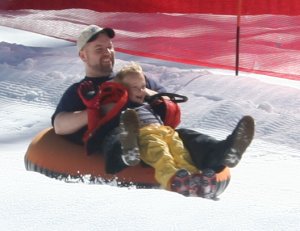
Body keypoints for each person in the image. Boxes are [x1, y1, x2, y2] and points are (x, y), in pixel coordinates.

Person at [52, 25, 255, 197]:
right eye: (99, 49)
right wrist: (95, 111)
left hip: (157, 129)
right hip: (121, 130)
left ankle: (224, 152)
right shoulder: (82, 90)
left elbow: (168, 100)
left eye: (110, 47)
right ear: (83, 55)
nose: (107, 52)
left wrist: (144, 91)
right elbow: (59, 125)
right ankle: (126, 152)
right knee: (120, 136)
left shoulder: (132, 76)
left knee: (186, 138)